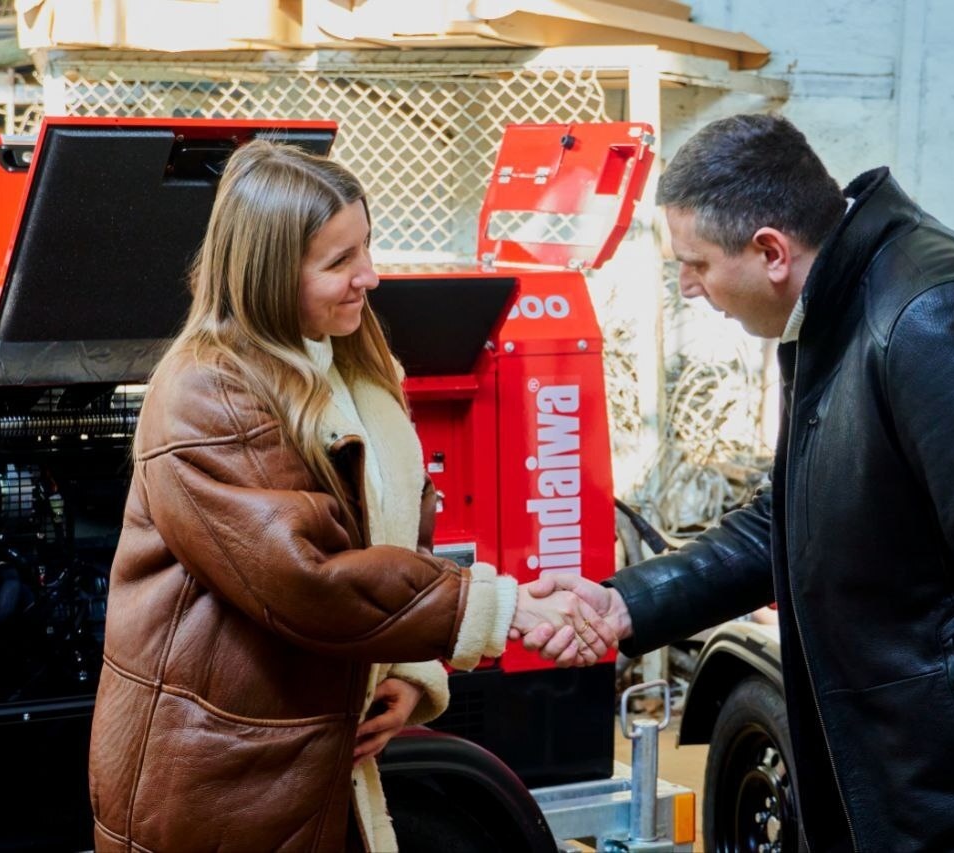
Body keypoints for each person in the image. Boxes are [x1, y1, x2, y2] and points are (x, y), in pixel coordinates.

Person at [518, 114, 954, 852]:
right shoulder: (841, 309)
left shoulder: (937, 321)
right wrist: (627, 603)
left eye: (698, 264)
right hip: (932, 783)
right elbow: (797, 515)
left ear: (771, 250)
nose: (688, 286)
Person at [87, 140, 614, 852]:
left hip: (313, 754)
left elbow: (390, 532)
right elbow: (309, 575)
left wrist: (405, 671)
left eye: (366, 247)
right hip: (223, 784)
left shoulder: (348, 361)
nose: (369, 276)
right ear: (268, 274)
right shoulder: (206, 392)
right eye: (339, 262)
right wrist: (502, 605)